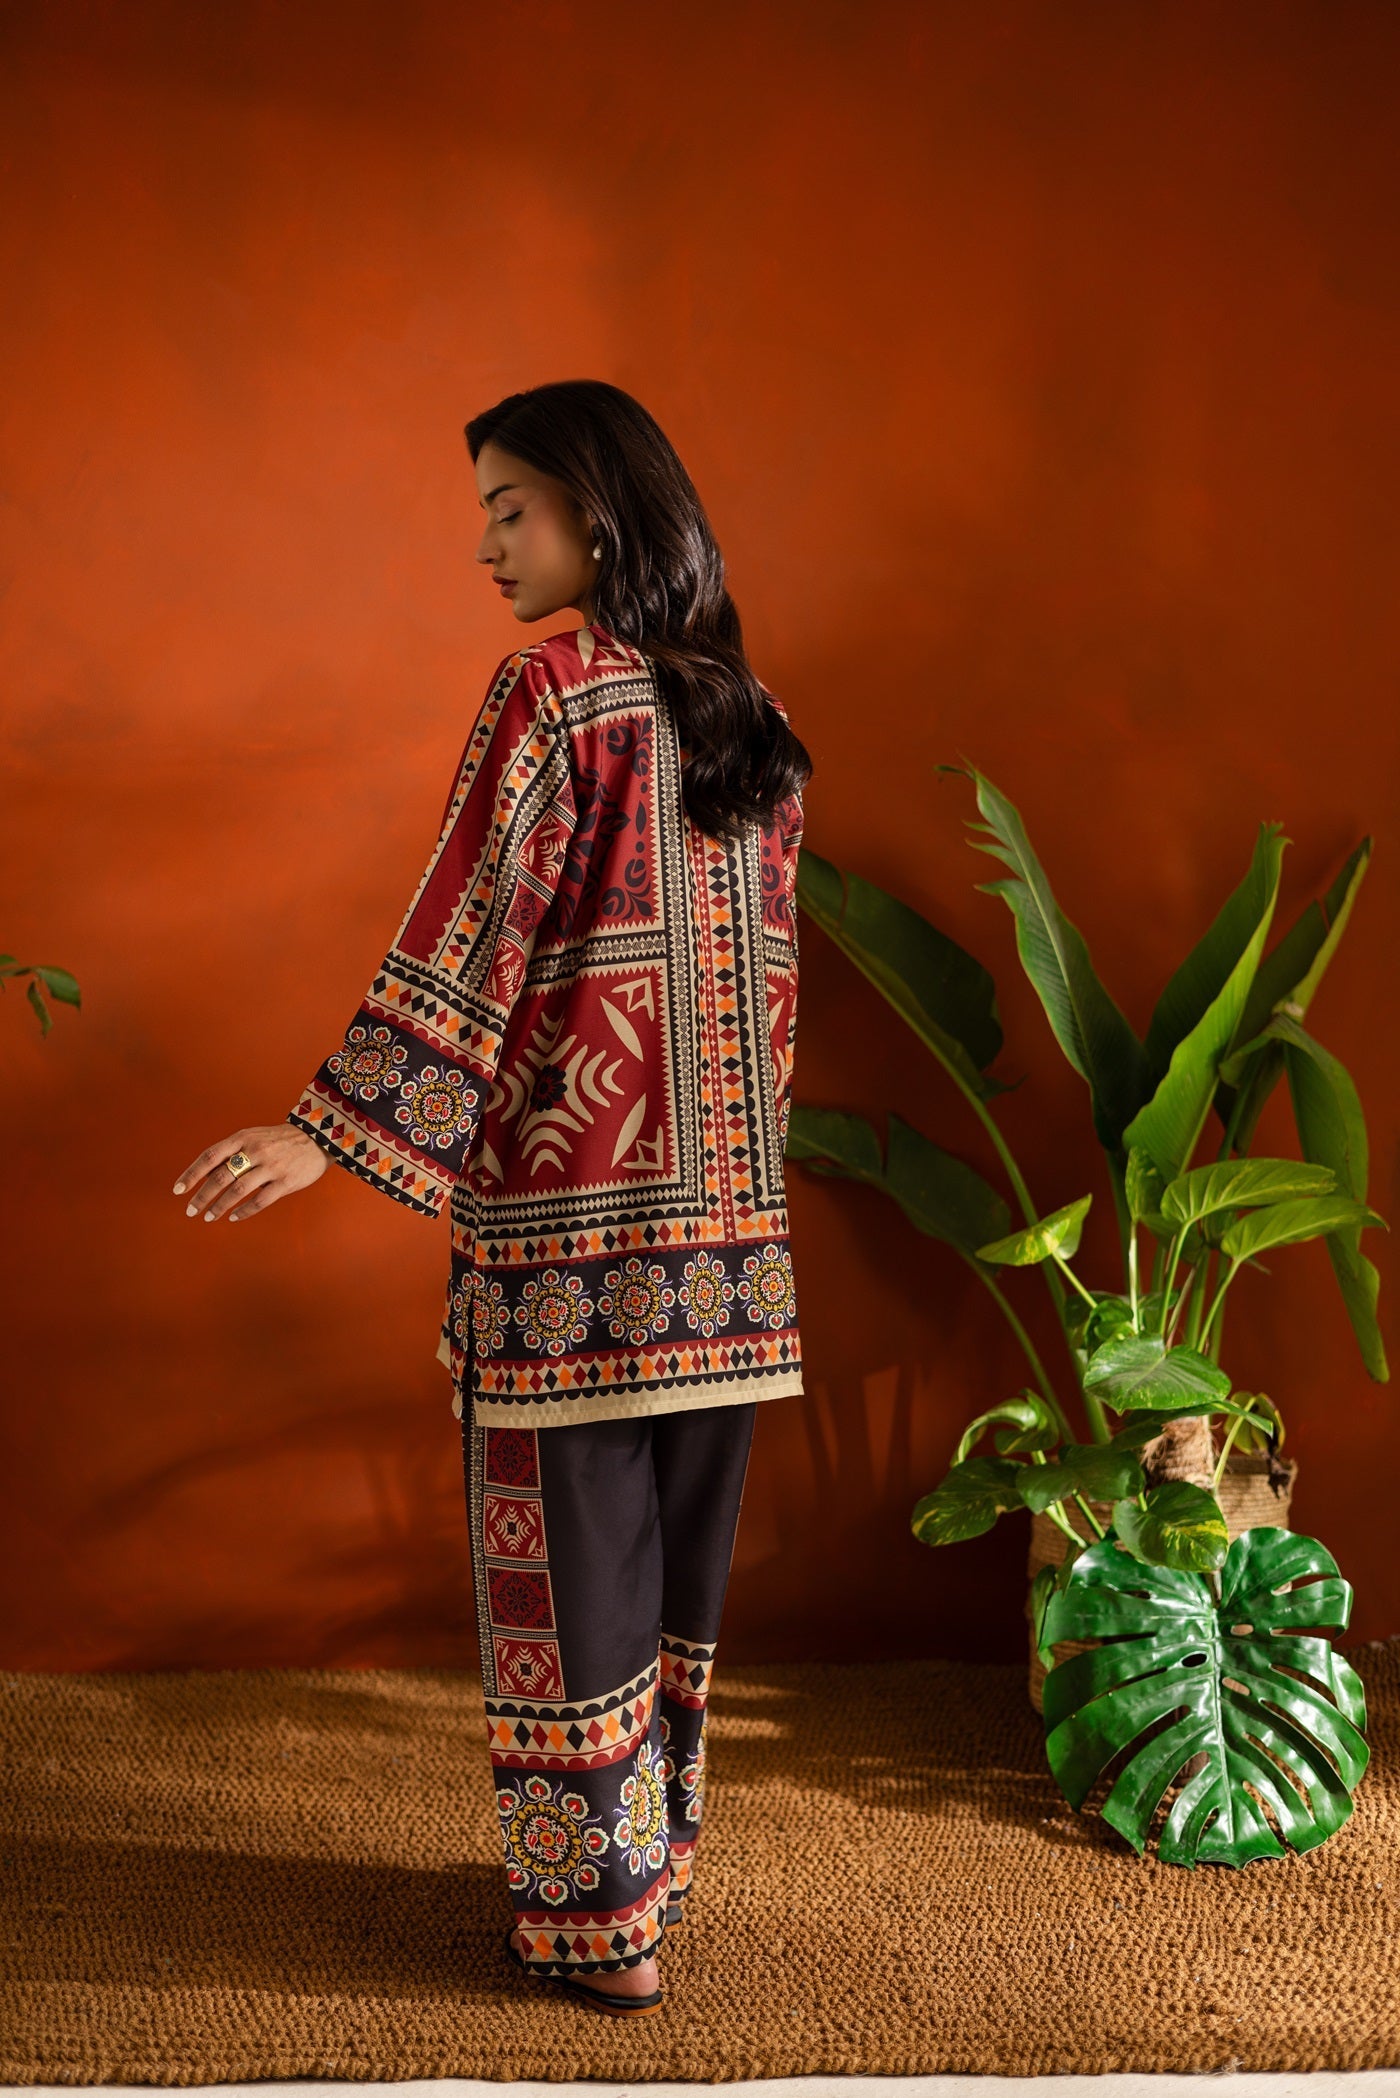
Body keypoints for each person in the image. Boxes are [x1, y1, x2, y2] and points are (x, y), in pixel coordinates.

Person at [173, 379, 813, 2018]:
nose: (486, 546)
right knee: (672, 1604)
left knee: (571, 1598)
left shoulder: (551, 692)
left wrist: (329, 1132)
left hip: (569, 1246)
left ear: (596, 512)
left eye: (507, 508)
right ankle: (647, 1882)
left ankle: (599, 1929)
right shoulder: (753, 715)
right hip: (730, 1261)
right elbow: (775, 996)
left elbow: (478, 927)